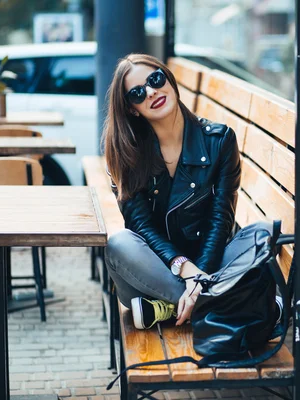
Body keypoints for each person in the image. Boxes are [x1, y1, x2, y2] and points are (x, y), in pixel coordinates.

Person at [102, 54, 241, 330]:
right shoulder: (126, 154)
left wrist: (199, 275)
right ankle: (219, 306)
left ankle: (166, 309)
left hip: (208, 264)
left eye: (155, 80)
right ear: (132, 109)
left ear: (168, 79)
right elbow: (141, 227)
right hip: (153, 273)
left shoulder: (220, 140)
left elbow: (220, 220)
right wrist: (183, 268)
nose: (152, 92)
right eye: (138, 93)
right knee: (119, 245)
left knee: (255, 236)